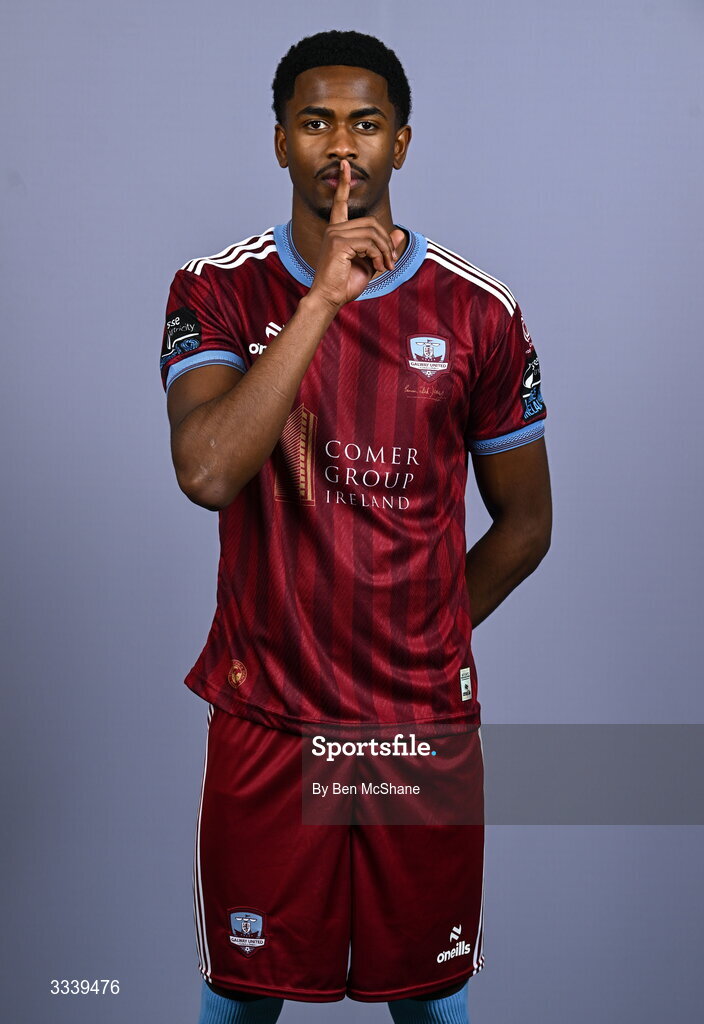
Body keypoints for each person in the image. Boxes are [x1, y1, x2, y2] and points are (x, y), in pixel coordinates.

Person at [160, 29, 551, 1024]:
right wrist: (323, 300)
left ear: (402, 144)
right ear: (281, 141)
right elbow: (206, 471)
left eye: (365, 124)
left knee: (429, 1000)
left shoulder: (478, 313)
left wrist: (417, 640)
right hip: (269, 719)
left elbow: (524, 525)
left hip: (414, 729)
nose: (342, 145)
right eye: (317, 121)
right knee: (239, 997)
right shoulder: (216, 289)